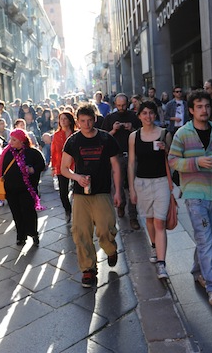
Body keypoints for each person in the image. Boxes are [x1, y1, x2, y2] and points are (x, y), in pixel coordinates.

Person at [168, 90, 212, 305]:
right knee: (205, 240)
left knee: (208, 239)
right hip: (194, 194)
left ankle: (197, 269)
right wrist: (197, 162)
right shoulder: (182, 133)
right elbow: (172, 161)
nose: (204, 110)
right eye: (199, 106)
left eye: (207, 106)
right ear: (191, 110)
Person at [61, 103, 122, 288]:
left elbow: (116, 167)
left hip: (102, 191)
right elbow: (63, 168)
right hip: (81, 194)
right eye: (82, 121)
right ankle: (88, 269)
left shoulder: (106, 139)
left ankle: (110, 249)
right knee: (80, 232)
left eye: (89, 121)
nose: (86, 125)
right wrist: (76, 177)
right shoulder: (72, 141)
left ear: (95, 120)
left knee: (105, 229)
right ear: (77, 122)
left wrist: (119, 191)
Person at [127, 101, 173, 279]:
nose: (148, 116)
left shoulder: (164, 133)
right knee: (150, 220)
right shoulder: (134, 137)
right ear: (139, 116)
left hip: (161, 182)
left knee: (160, 222)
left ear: (156, 115)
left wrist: (166, 149)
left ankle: (162, 264)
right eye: (144, 113)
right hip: (142, 183)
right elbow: (131, 164)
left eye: (151, 113)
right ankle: (154, 246)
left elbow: (174, 158)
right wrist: (131, 188)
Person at [0, 129, 46, 246]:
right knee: (16, 213)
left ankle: (33, 233)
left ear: (22, 141)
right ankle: (21, 236)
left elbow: (41, 165)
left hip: (27, 190)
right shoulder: (6, 153)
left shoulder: (33, 153)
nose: (10, 142)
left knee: (28, 212)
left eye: (14, 140)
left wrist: (32, 169)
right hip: (11, 190)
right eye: (10, 139)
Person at [101, 93, 142, 230]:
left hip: (132, 155)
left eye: (123, 105)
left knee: (133, 186)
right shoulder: (110, 118)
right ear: (115, 104)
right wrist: (114, 130)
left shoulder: (134, 116)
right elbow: (103, 137)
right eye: (118, 105)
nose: (121, 108)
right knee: (117, 185)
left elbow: (142, 134)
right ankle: (121, 205)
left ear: (128, 103)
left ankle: (133, 216)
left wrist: (132, 129)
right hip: (116, 156)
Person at [50, 111, 77, 223]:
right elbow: (54, 151)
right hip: (62, 165)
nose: (63, 121)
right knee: (63, 192)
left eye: (65, 119)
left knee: (77, 190)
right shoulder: (56, 135)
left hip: (75, 164)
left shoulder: (76, 133)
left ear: (70, 120)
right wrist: (53, 167)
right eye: (61, 119)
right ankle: (67, 210)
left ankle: (78, 211)